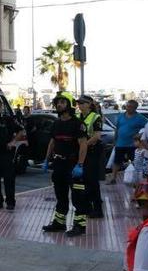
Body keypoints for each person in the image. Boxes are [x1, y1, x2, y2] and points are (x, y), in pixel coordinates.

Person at [42, 91, 90, 237]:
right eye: (57, 102)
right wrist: (46, 159)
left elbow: (83, 145)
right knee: (60, 195)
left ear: (69, 105)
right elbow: (52, 142)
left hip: (73, 164)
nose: (59, 105)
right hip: (59, 164)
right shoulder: (56, 124)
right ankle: (59, 223)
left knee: (78, 197)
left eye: (62, 102)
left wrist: (80, 165)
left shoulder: (78, 124)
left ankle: (79, 226)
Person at [78, 95, 105, 218]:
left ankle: (98, 209)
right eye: (79, 103)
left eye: (83, 103)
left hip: (92, 151)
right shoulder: (79, 117)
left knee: (92, 181)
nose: (80, 105)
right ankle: (87, 207)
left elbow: (97, 136)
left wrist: (84, 146)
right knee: (83, 181)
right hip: (82, 152)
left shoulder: (95, 117)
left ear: (89, 104)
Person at [112, 100, 148, 184]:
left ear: (135, 108)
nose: (128, 108)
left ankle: (136, 180)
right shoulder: (121, 116)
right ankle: (113, 178)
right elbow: (116, 129)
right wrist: (115, 140)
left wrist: (140, 134)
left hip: (132, 145)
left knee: (135, 162)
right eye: (128, 106)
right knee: (116, 161)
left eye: (131, 107)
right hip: (120, 143)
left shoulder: (140, 118)